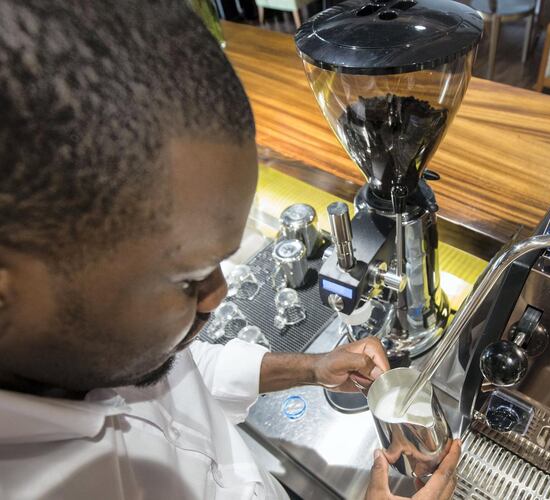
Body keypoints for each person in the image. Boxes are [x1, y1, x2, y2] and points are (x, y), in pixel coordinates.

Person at [0, 1, 460, 499]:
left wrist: (310, 367)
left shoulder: (105, 347)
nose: (219, 295)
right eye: (188, 279)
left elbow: (180, 374)